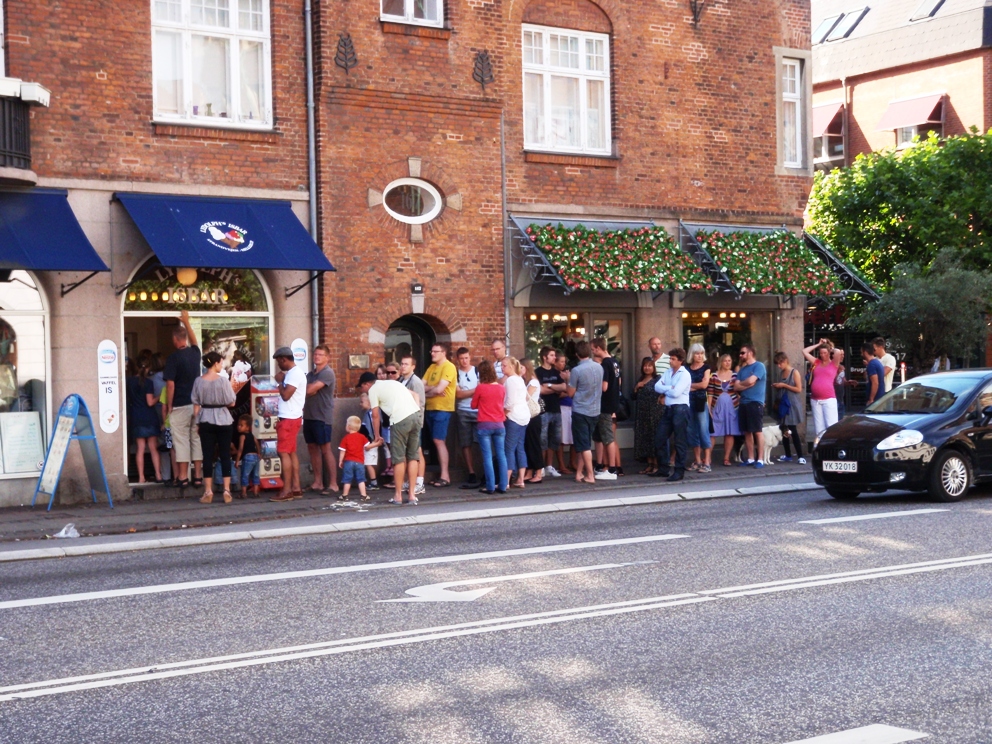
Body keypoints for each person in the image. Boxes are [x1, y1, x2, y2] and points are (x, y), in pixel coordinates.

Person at [357, 370, 422, 505]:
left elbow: (375, 415)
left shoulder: (373, 390)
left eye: (361, 386)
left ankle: (398, 496)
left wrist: (377, 435)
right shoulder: (393, 383)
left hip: (399, 419)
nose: (362, 390)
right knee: (413, 457)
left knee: (398, 458)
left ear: (367, 384)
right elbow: (415, 395)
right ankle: (411, 495)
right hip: (415, 416)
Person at [163, 309, 203, 488]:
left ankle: (183, 477)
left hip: (180, 404)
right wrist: (186, 321)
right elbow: (195, 342)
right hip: (196, 405)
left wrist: (170, 405)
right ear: (185, 339)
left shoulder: (173, 358)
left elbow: (170, 385)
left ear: (174, 340)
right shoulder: (195, 354)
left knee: (180, 441)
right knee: (195, 438)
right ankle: (198, 476)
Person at [191, 350, 237, 504]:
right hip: (224, 419)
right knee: (225, 456)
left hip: (206, 419)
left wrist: (197, 422)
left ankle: (208, 491)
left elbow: (196, 404)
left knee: (207, 456)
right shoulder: (223, 381)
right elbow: (232, 402)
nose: (222, 365)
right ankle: (226, 490)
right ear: (216, 363)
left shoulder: (198, 381)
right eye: (221, 363)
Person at [269, 347, 307, 502]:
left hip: (289, 418)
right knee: (291, 452)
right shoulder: (294, 374)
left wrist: (279, 383)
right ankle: (296, 488)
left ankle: (286, 490)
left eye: (279, 362)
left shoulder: (294, 374)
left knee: (284, 452)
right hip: (293, 416)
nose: (279, 365)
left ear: (284, 359)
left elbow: (285, 395)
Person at [566, 340, 604, 484]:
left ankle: (590, 475)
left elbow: (570, 393)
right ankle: (579, 473)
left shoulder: (576, 370)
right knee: (585, 443)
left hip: (581, 410)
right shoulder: (599, 367)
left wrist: (566, 379)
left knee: (583, 445)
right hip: (595, 409)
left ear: (576, 354)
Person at [651, 347, 691, 482]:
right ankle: (663, 468)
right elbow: (657, 386)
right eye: (670, 358)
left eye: (673, 359)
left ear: (680, 361)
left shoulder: (684, 374)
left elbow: (676, 393)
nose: (670, 361)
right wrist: (670, 388)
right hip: (669, 408)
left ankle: (679, 471)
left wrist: (667, 389)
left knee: (679, 441)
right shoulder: (668, 372)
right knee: (660, 438)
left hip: (681, 408)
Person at [304, 343, 338, 495]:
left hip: (322, 417)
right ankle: (317, 482)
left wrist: (309, 389)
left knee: (325, 449)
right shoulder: (310, 374)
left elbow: (309, 389)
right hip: (309, 416)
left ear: (327, 358)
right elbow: (304, 391)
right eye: (315, 354)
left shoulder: (327, 373)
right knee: (312, 449)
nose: (317, 357)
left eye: (320, 355)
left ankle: (333, 484)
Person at [423, 342, 457, 488]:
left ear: (444, 353)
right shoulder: (431, 367)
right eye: (432, 351)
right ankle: (441, 474)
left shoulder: (449, 367)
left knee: (439, 440)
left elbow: (440, 389)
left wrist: (428, 391)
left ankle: (445, 475)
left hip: (443, 408)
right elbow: (420, 386)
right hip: (430, 408)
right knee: (434, 440)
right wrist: (432, 389)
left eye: (436, 351)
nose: (432, 353)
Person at [471, 360, 508, 494]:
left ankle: (490, 486)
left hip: (484, 424)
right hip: (499, 424)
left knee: (487, 456)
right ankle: (503, 485)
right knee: (501, 455)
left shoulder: (481, 387)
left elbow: (473, 405)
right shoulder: (501, 387)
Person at [127, 357, 162, 484]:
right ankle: (158, 475)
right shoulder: (148, 383)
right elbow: (150, 402)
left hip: (136, 416)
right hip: (149, 417)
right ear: (148, 368)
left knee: (140, 449)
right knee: (153, 447)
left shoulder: (129, 381)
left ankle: (141, 477)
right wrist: (160, 396)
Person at [590, 337, 620, 480]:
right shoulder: (614, 362)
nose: (592, 352)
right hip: (612, 402)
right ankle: (603, 466)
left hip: (605, 404)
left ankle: (612, 469)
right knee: (602, 436)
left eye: (593, 349)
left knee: (607, 437)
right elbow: (618, 382)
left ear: (597, 348)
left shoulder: (606, 364)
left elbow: (604, 386)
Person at [397, 354, 427, 497]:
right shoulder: (402, 380)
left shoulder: (416, 382)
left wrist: (417, 423)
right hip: (403, 421)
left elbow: (420, 404)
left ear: (413, 366)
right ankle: (410, 481)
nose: (403, 366)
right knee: (408, 452)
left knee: (417, 451)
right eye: (402, 364)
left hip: (413, 422)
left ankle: (419, 482)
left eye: (406, 364)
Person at [733, 343, 767, 468]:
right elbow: (736, 386)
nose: (740, 355)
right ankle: (751, 458)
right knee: (747, 431)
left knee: (757, 431)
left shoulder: (759, 366)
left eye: (743, 353)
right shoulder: (742, 370)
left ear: (750, 353)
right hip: (743, 403)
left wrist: (744, 384)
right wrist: (746, 384)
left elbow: (752, 381)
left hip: (755, 402)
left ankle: (760, 459)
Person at [535, 346, 566, 478]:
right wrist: (555, 389)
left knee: (555, 439)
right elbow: (540, 390)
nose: (554, 357)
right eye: (552, 355)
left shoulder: (556, 372)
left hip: (556, 409)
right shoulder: (538, 372)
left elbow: (564, 387)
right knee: (542, 440)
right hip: (544, 410)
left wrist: (549, 386)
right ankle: (540, 467)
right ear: (544, 357)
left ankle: (549, 466)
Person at [803, 339, 843, 438]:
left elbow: (838, 352)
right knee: (819, 428)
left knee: (831, 426)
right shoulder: (817, 362)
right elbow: (804, 351)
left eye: (825, 353)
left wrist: (830, 347)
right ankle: (820, 449)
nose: (822, 355)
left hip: (828, 399)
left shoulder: (834, 363)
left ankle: (831, 449)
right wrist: (819, 344)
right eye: (821, 353)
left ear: (829, 353)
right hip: (815, 400)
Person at [453, 347, 480, 489]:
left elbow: (483, 391)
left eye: (466, 358)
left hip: (478, 410)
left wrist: (467, 392)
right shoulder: (456, 374)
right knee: (465, 443)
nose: (464, 361)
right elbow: (458, 395)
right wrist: (476, 390)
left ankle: (483, 471)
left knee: (482, 441)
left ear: (470, 357)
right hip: (463, 411)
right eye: (461, 358)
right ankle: (471, 472)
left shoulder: (477, 371)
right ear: (458, 359)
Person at [501, 356, 530, 489]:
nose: (502, 368)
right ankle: (521, 479)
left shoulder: (510, 380)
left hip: (514, 417)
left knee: (509, 449)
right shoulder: (519, 379)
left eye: (504, 366)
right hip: (524, 416)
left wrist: (504, 413)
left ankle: (506, 481)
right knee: (520, 447)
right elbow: (524, 397)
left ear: (511, 367)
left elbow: (510, 402)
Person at [772, 351, 806, 464]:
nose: (779, 366)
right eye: (777, 364)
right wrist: (777, 386)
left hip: (791, 404)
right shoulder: (781, 373)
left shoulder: (794, 372)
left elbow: (799, 389)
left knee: (793, 430)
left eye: (780, 363)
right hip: (783, 403)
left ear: (785, 361)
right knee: (784, 429)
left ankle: (800, 455)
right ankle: (788, 454)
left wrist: (784, 385)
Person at [708, 354, 741, 466]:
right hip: (717, 407)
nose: (727, 363)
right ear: (721, 362)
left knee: (729, 433)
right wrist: (709, 409)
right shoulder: (713, 376)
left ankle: (726, 458)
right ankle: (708, 458)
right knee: (712, 433)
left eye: (729, 360)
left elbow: (739, 392)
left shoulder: (735, 376)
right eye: (725, 361)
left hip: (732, 407)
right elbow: (710, 393)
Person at [338, 415, 379, 501]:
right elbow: (368, 446)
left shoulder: (345, 438)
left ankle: (345, 495)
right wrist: (377, 444)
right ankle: (363, 495)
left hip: (348, 462)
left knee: (347, 479)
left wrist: (340, 461)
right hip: (359, 462)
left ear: (348, 427)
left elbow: (342, 451)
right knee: (361, 479)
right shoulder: (362, 437)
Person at [633, 357, 663, 474]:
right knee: (644, 439)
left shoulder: (658, 379)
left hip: (654, 413)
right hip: (642, 413)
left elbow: (662, 393)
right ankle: (649, 464)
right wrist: (636, 388)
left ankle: (656, 464)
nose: (647, 368)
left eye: (650, 365)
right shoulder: (640, 379)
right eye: (645, 365)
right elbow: (633, 397)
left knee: (653, 438)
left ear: (653, 367)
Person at [686, 343, 712, 473]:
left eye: (702, 353)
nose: (700, 356)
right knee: (692, 431)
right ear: (692, 354)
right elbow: (684, 385)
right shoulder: (686, 368)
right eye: (697, 353)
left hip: (701, 401)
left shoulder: (706, 367)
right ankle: (697, 460)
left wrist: (692, 386)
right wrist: (694, 385)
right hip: (689, 402)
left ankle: (707, 461)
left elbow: (704, 385)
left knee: (703, 430)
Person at [521, 359, 545, 483]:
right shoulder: (524, 382)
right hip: (526, 417)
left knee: (534, 444)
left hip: (534, 417)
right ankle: (529, 471)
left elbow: (525, 397)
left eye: (521, 367)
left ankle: (539, 471)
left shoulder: (533, 382)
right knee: (527, 444)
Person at [554, 353, 575, 474]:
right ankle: (561, 465)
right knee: (562, 437)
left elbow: (573, 390)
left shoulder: (568, 374)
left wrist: (568, 389)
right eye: (561, 361)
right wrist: (568, 389)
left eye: (564, 361)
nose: (563, 364)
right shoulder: (556, 375)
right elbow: (561, 393)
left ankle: (572, 462)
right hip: (561, 407)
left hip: (572, 406)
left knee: (573, 437)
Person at [234, 414, 260, 498]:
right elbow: (257, 443)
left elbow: (240, 449)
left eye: (241, 425)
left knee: (245, 475)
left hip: (248, 457)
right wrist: (259, 453)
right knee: (255, 475)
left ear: (248, 427)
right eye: (238, 425)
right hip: (255, 457)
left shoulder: (242, 436)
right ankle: (256, 492)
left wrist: (237, 461)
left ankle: (244, 493)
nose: (239, 427)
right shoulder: (252, 435)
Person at [377, 363, 395, 477]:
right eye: (379, 374)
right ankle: (388, 465)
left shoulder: (391, 386)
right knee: (385, 445)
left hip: (390, 420)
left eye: (384, 373)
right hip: (382, 421)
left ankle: (393, 466)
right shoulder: (377, 387)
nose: (382, 376)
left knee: (391, 444)